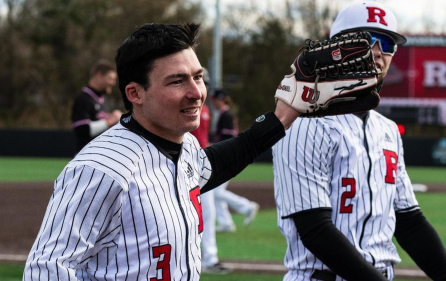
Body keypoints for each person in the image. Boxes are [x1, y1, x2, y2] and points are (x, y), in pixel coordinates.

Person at [23, 23, 299, 281]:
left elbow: (212, 165)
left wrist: (280, 119)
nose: (196, 93)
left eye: (198, 77)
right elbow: (45, 270)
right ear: (135, 93)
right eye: (177, 81)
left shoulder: (184, 144)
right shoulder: (100, 168)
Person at [272, 1, 446, 281]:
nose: (378, 52)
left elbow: (409, 222)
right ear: (336, 49)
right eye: (367, 41)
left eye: (387, 45)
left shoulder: (387, 130)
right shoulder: (303, 123)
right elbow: (315, 230)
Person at [190, 71, 231, 274]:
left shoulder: (204, 109)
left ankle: (209, 258)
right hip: (186, 165)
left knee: (207, 211)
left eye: (202, 82)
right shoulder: (190, 107)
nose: (199, 86)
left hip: (201, 163)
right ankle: (199, 258)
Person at [210, 89, 260, 233]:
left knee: (216, 192)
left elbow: (229, 140)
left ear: (221, 99)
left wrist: (213, 148)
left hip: (227, 159)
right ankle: (226, 223)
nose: (213, 102)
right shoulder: (223, 115)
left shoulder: (226, 115)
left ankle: (246, 206)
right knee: (215, 191)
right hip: (227, 158)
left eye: (215, 99)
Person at [71, 59, 122, 153]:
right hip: (85, 157)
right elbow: (83, 130)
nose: (113, 83)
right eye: (110, 78)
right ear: (98, 75)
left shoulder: (104, 99)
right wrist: (110, 120)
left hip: (101, 155)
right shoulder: (83, 99)